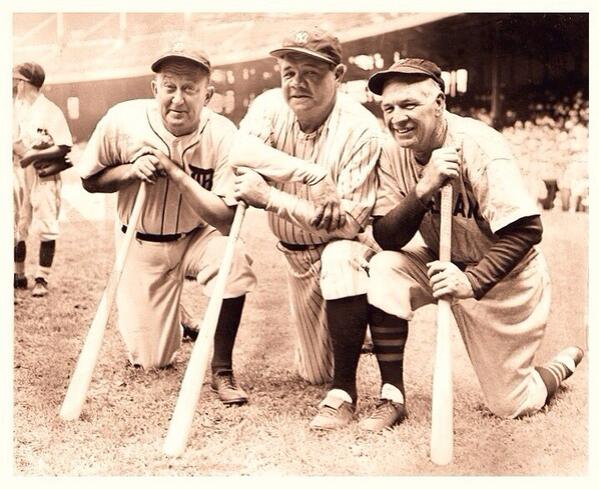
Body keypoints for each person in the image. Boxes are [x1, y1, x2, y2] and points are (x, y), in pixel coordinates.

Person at [361, 58, 584, 431]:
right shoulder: (391, 152)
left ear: (440, 103)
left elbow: (527, 229)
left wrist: (472, 281)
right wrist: (422, 189)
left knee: (511, 404)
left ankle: (559, 366)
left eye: (409, 105)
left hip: (504, 277)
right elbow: (387, 237)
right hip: (438, 259)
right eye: (389, 108)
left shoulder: (480, 144)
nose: (397, 117)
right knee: (385, 269)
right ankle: (391, 395)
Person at [76, 41, 256, 405]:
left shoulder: (223, 134)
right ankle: (177, 315)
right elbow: (89, 181)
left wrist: (175, 173)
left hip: (197, 237)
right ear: (154, 88)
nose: (178, 98)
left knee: (231, 258)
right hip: (140, 243)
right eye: (170, 87)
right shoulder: (121, 120)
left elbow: (225, 220)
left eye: (190, 88)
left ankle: (222, 370)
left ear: (208, 94)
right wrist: (129, 171)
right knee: (152, 360)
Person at [231, 28, 383, 429]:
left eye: (311, 72)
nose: (297, 83)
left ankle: (358, 323)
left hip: (345, 247)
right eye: (288, 72)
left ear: (339, 74)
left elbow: (348, 223)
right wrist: (314, 176)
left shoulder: (363, 128)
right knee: (312, 372)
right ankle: (353, 325)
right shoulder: (268, 105)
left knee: (341, 257)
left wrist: (272, 198)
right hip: (293, 253)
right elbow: (239, 152)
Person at [13, 62, 73, 297]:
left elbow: (65, 146)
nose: (15, 84)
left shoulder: (50, 110)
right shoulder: (19, 108)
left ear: (26, 82)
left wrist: (35, 154)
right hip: (22, 173)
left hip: (45, 175)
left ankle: (42, 278)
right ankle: (18, 275)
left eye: (18, 80)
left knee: (47, 225)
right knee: (19, 224)